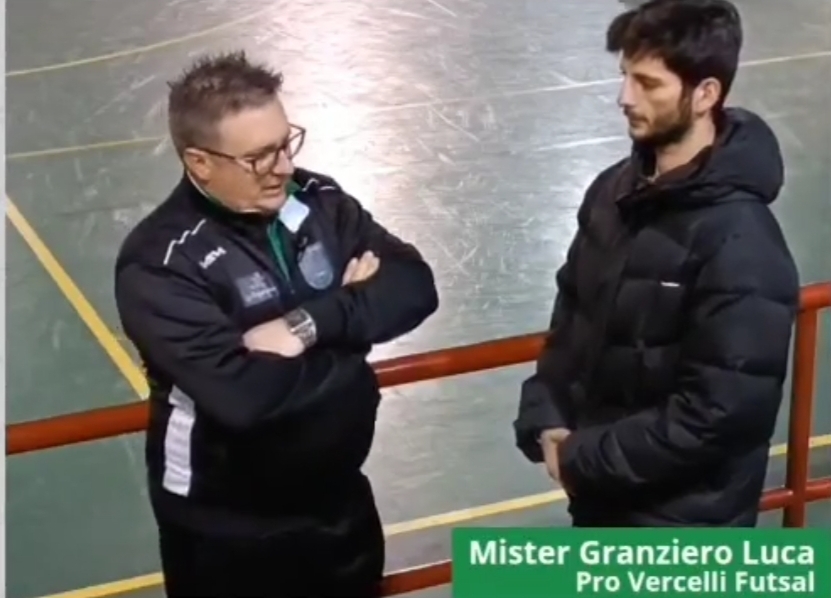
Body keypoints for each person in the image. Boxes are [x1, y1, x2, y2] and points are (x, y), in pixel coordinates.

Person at [114, 51, 439, 596]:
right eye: (260, 157)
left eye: (286, 144)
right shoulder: (161, 264)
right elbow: (246, 398)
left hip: (339, 505)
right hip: (228, 532)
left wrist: (309, 324)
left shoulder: (319, 201)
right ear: (200, 163)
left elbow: (414, 287)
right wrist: (355, 337)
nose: (285, 167)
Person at [513, 0, 800, 527]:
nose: (624, 98)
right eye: (625, 76)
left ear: (705, 94)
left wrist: (580, 458)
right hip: (602, 505)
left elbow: (717, 414)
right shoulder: (611, 193)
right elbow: (572, 322)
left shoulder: (742, 244)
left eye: (648, 83)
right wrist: (545, 418)